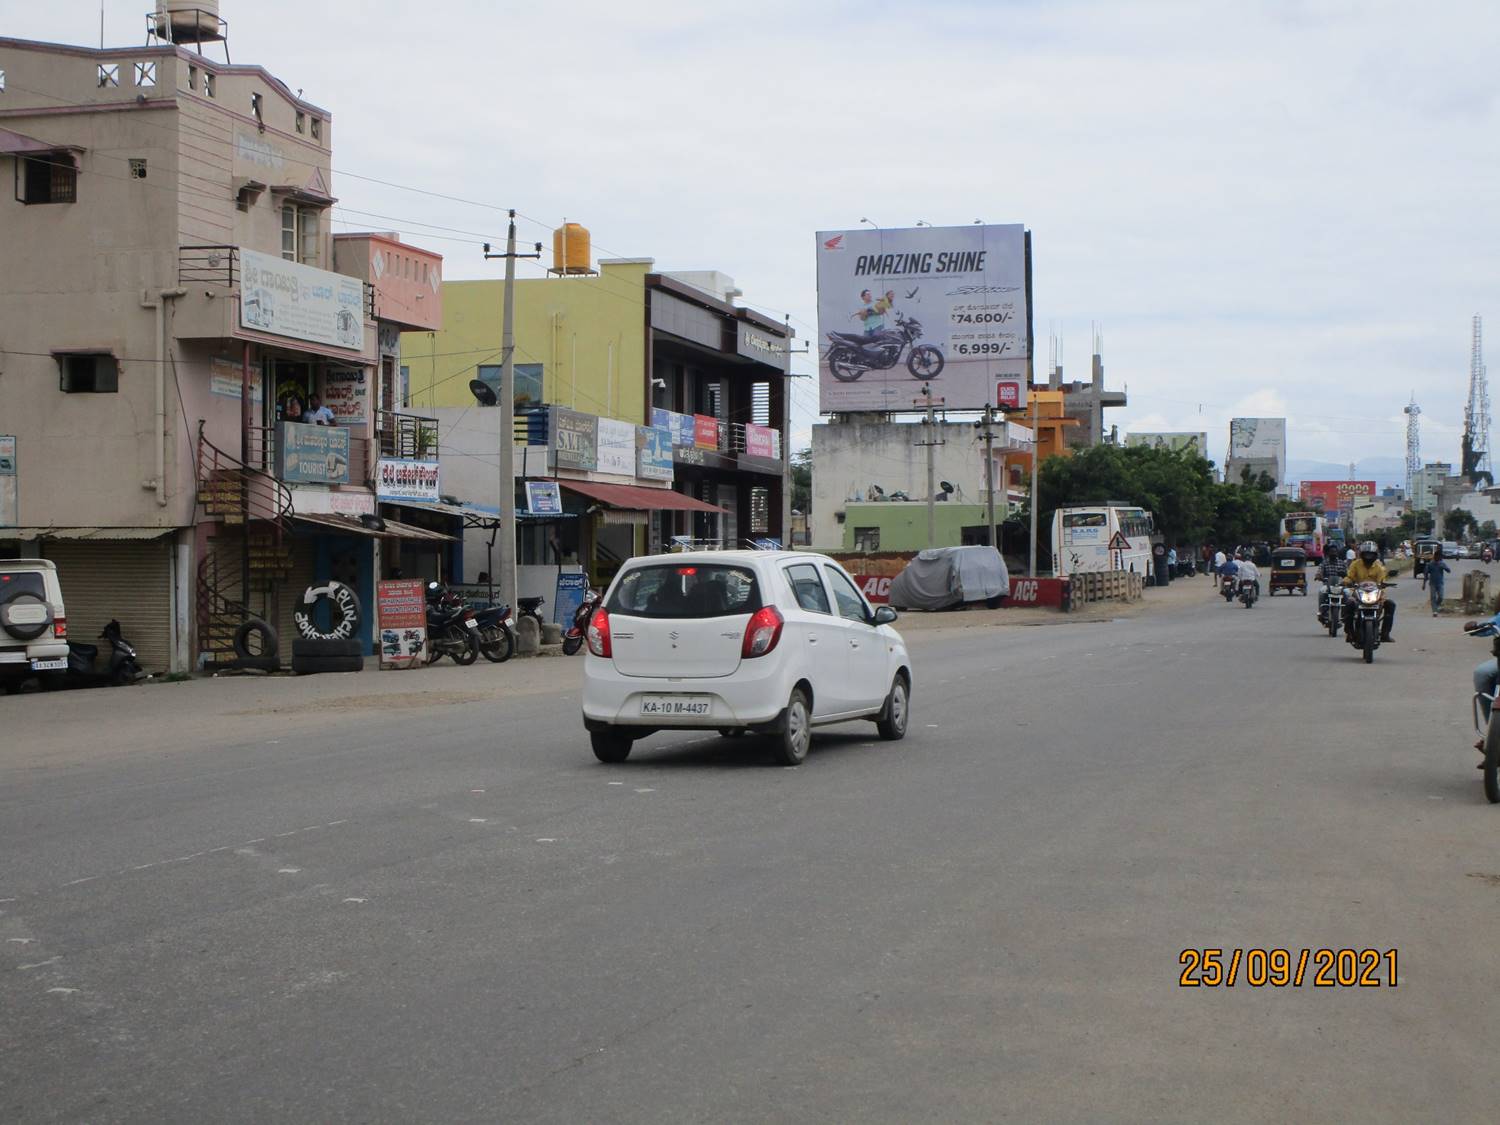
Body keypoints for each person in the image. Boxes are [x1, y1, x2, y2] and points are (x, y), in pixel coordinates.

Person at [1343, 540, 1395, 642]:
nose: (1368, 557)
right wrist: (1346, 581)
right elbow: (1350, 577)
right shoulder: (1355, 564)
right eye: (1366, 554)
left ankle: (1385, 633)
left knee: (1390, 604)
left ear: (1375, 555)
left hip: (1376, 595)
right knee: (1349, 604)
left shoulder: (1379, 566)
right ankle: (1349, 632)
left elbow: (1382, 579)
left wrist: (1383, 584)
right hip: (1358, 593)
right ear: (1362, 554)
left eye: (1371, 554)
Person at [1421, 544, 1452, 616]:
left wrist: (1444, 567)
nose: (1438, 559)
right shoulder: (1430, 564)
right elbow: (1426, 575)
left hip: (1440, 583)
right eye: (1437, 557)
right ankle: (1434, 611)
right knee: (1433, 597)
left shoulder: (1442, 563)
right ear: (1435, 557)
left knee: (1441, 597)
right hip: (1432, 583)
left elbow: (1449, 571)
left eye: (1440, 557)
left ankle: (1436, 606)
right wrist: (1424, 584)